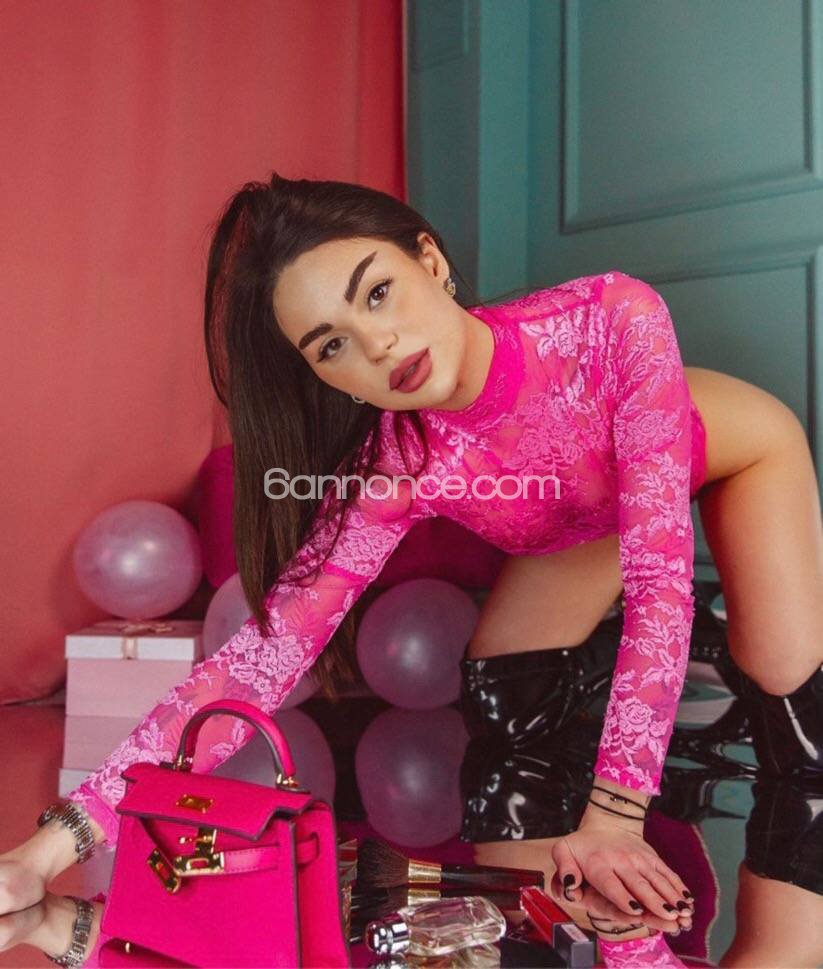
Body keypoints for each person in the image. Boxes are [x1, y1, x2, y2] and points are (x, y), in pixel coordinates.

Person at [3, 172, 822, 964]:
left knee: (798, 731)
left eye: (377, 292)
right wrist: (43, 854)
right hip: (582, 519)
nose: (377, 344)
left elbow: (657, 585)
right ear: (324, 374)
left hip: (727, 457)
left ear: (428, 260)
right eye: (332, 345)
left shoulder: (612, 315)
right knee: (507, 709)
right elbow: (258, 662)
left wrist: (613, 816)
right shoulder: (394, 464)